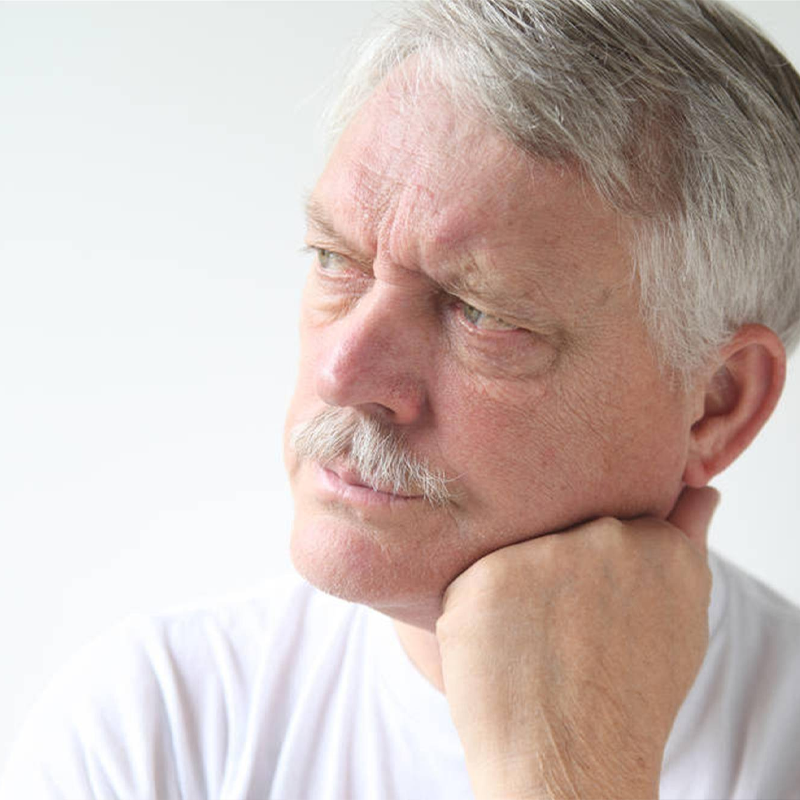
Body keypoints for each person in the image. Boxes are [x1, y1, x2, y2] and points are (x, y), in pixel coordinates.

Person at [3, 0, 800, 798]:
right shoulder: (153, 731)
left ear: (716, 404)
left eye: (481, 312)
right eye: (334, 259)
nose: (340, 373)